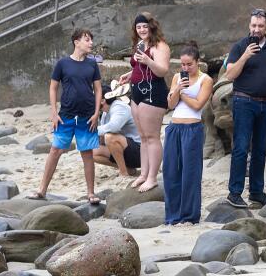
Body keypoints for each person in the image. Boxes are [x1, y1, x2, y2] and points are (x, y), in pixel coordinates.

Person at [29, 28, 103, 203]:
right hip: (66, 115)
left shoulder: (92, 64)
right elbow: (53, 87)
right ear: (76, 42)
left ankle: (91, 193)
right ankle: (42, 190)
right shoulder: (62, 63)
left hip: (87, 116)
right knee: (55, 150)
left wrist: (96, 113)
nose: (91, 43)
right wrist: (53, 112)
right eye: (87, 40)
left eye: (91, 40)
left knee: (87, 153)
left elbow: (98, 89)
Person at [224, 8, 266, 208]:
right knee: (241, 148)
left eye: (260, 26)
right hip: (244, 102)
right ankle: (234, 193)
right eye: (253, 25)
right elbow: (230, 75)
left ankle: (256, 192)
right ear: (249, 25)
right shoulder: (239, 46)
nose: (256, 29)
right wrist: (245, 56)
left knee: (260, 150)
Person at [118, 13, 171, 193]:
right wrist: (130, 74)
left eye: (144, 26)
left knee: (152, 136)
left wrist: (148, 60)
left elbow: (162, 71)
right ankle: (144, 174)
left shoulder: (160, 46)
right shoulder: (140, 44)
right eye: (138, 27)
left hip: (153, 93)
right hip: (137, 92)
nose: (141, 30)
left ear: (151, 27)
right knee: (142, 137)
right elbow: (138, 67)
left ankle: (152, 178)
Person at [164, 42, 213, 226]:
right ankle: (173, 215)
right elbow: (170, 104)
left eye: (189, 64)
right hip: (174, 127)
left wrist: (181, 94)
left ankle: (190, 215)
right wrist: (177, 89)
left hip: (193, 128)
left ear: (197, 62)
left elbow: (198, 104)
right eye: (183, 64)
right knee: (171, 171)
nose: (185, 68)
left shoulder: (205, 79)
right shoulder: (177, 77)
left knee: (190, 173)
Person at [93, 81, 141, 177]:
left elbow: (114, 127)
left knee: (110, 137)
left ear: (102, 100)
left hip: (140, 151)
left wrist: (93, 130)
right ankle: (128, 169)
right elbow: (102, 140)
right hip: (127, 149)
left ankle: (123, 173)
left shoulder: (119, 107)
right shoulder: (106, 112)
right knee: (91, 151)